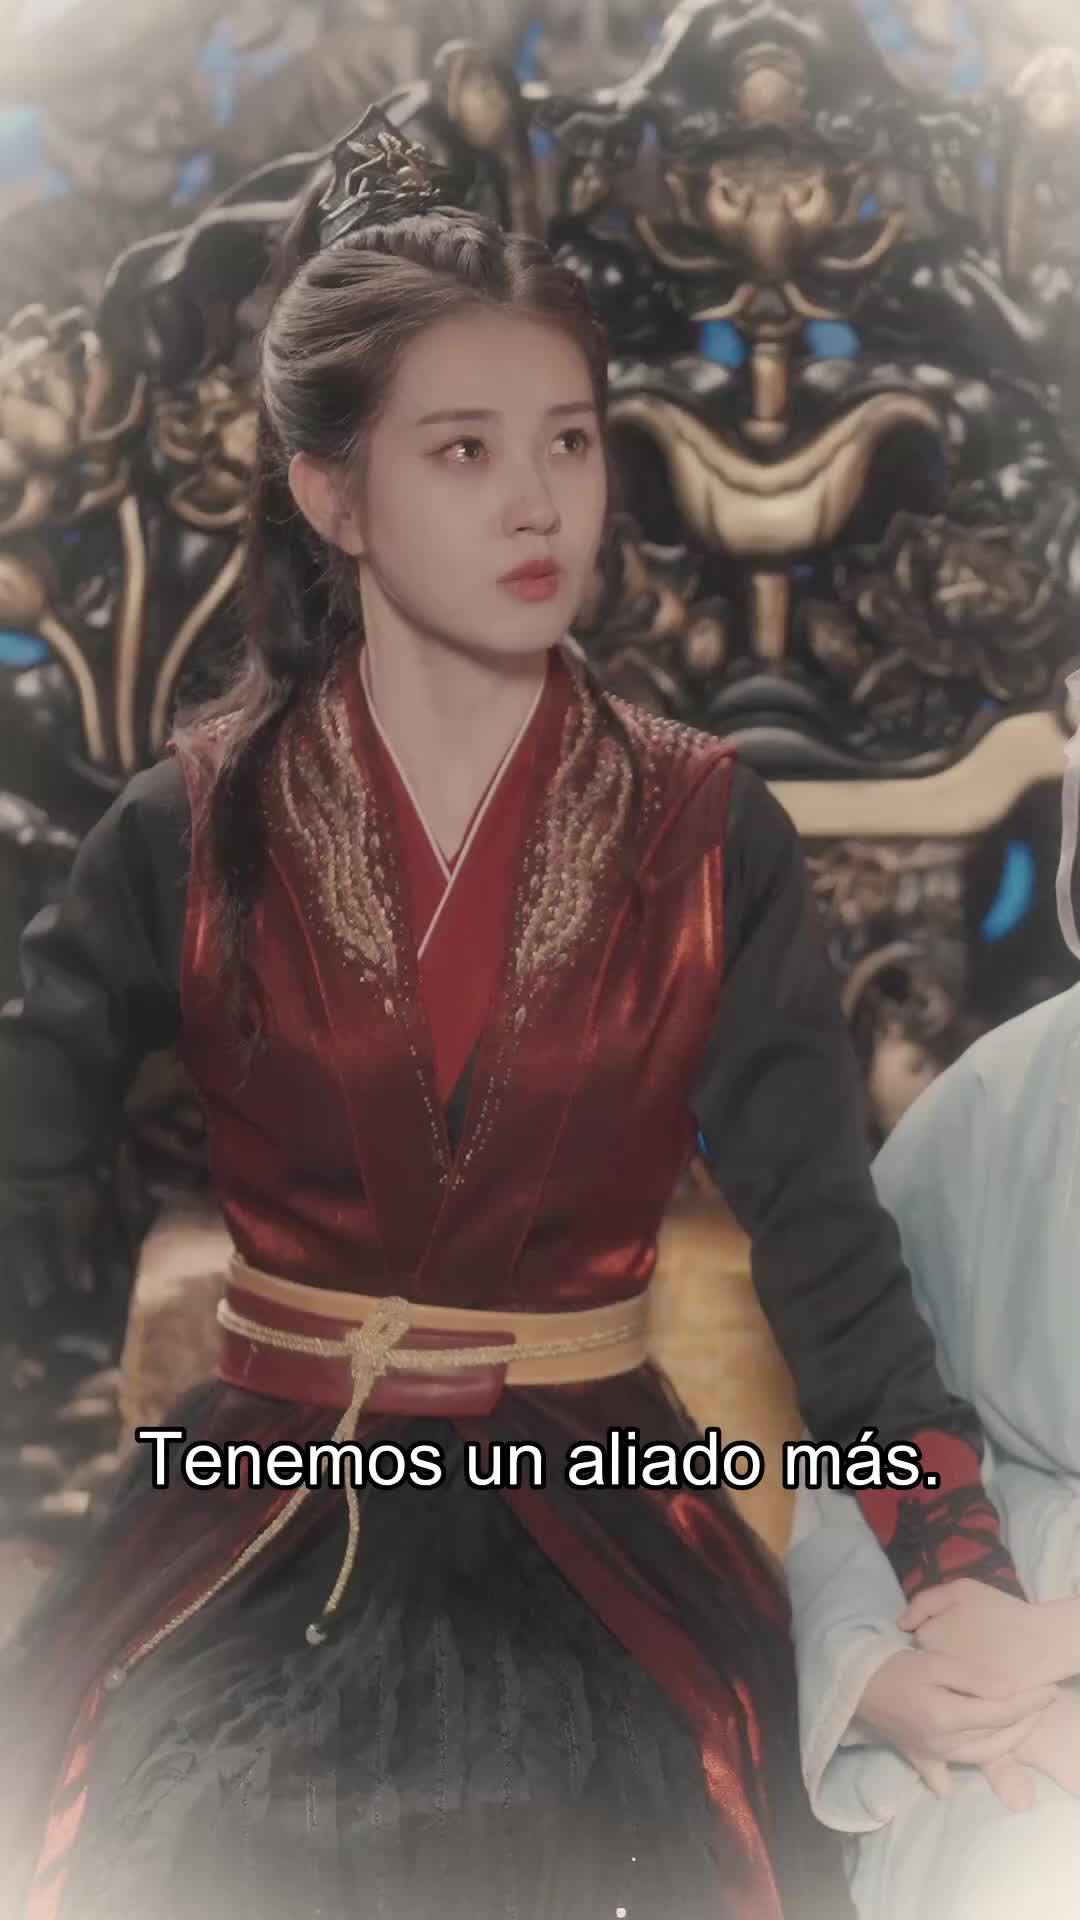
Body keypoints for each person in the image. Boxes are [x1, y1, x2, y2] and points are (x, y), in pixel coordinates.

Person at [0, 110, 1042, 1920]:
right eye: (463, 449)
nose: (539, 501)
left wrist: (953, 1561)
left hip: (608, 1508)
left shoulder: (706, 830)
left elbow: (827, 1254)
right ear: (334, 495)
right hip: (260, 1502)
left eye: (568, 439)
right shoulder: (192, 827)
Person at [786, 680, 1080, 1919]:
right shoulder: (988, 1105)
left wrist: (1059, 1645)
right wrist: (873, 1676)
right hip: (974, 1685)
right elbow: (868, 1434)